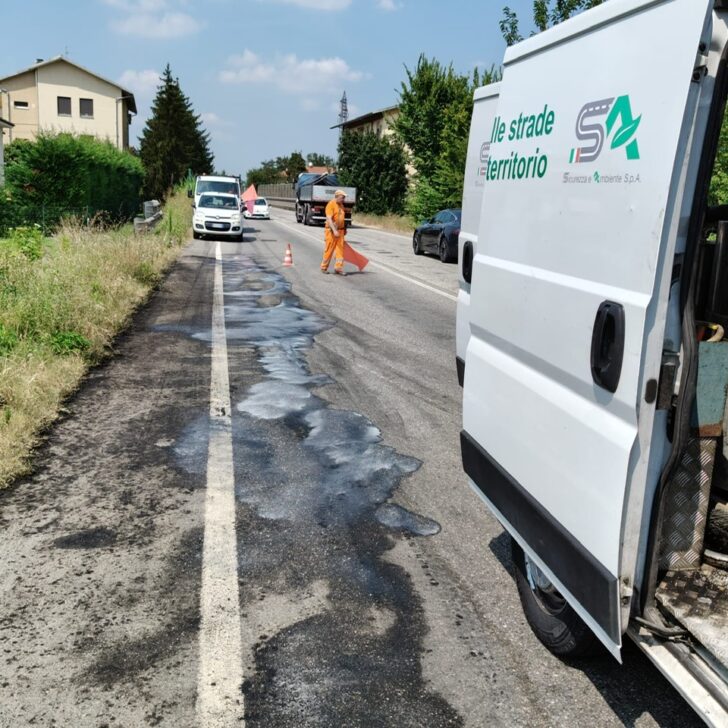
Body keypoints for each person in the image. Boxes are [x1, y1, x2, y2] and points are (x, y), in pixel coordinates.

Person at [321, 190, 347, 275]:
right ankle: (324, 267)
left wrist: (344, 228)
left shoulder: (341, 205)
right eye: (342, 197)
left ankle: (338, 268)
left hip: (340, 231)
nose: (344, 199)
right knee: (329, 249)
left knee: (340, 250)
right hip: (331, 231)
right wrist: (334, 230)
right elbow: (329, 218)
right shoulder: (331, 204)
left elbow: (342, 218)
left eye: (344, 198)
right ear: (337, 196)